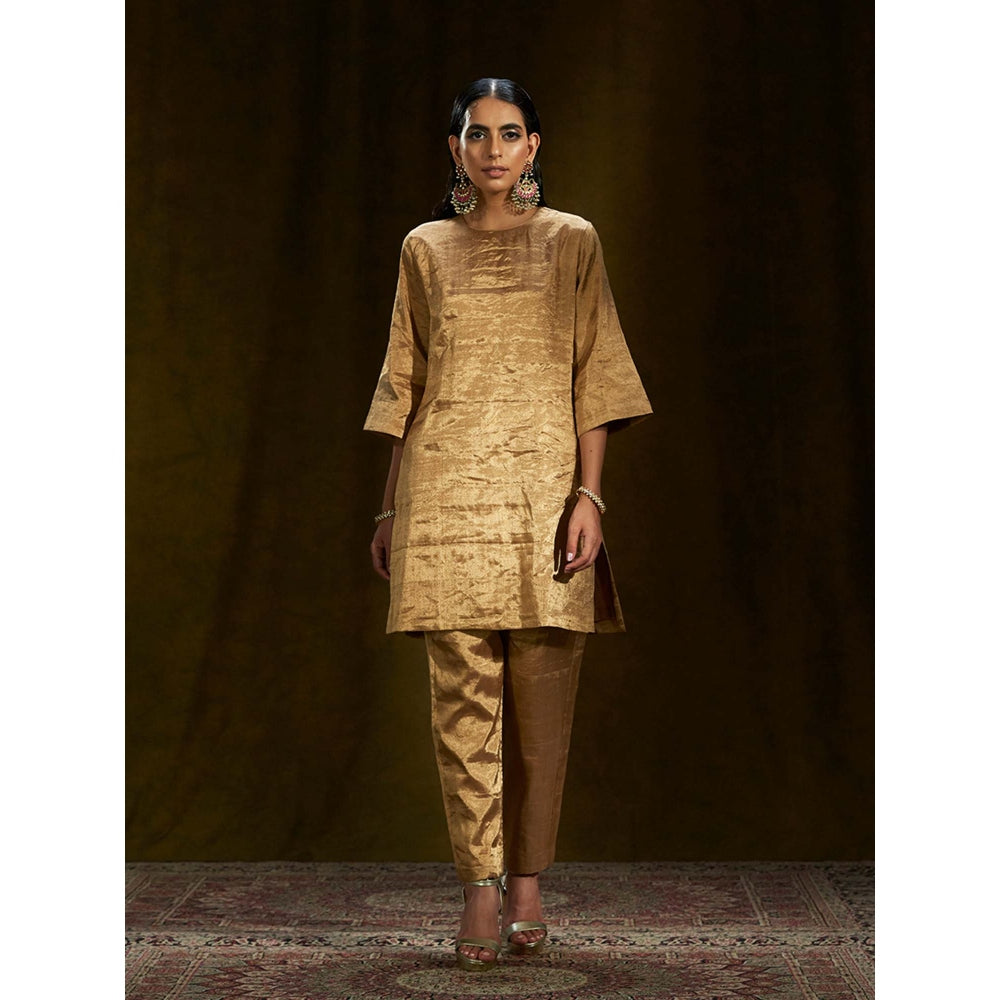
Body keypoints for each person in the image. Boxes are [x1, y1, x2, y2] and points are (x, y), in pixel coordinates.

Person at [364, 77, 652, 972]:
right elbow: (405, 382)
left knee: (541, 705)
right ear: (455, 149)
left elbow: (596, 374)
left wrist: (590, 498)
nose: (493, 149)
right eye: (477, 134)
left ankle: (527, 880)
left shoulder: (573, 242)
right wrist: (390, 505)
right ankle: (478, 889)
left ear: (534, 147)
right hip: (445, 501)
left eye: (510, 133)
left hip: (544, 503)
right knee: (461, 710)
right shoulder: (424, 248)